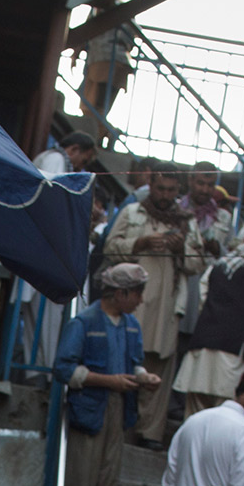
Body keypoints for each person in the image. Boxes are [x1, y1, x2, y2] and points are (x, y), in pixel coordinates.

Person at [54, 261, 158, 486]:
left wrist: (144, 378)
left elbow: (135, 363)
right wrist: (108, 381)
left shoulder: (131, 326)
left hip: (118, 411)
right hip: (90, 411)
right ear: (121, 292)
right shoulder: (84, 322)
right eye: (137, 293)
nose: (140, 300)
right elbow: (64, 370)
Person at [101, 167, 207, 446]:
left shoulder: (187, 222)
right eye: (161, 189)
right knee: (126, 362)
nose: (165, 195)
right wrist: (141, 243)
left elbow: (197, 264)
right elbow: (110, 247)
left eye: (172, 190)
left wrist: (179, 248)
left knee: (158, 370)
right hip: (131, 305)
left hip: (166, 308)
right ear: (151, 184)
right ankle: (119, 427)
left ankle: (150, 432)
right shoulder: (133, 212)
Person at [173, 219, 244, 419]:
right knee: (228, 415)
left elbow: (203, 298)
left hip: (202, 348)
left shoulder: (218, 264)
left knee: (196, 415)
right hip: (235, 351)